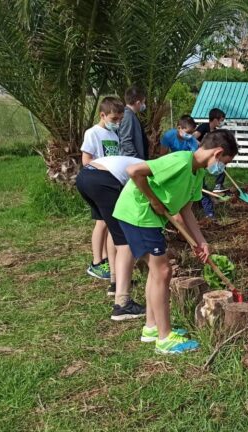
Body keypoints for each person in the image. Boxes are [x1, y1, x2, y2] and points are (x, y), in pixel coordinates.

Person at [113, 130, 238, 354]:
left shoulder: (197, 173)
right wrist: (154, 200)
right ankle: (165, 338)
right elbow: (134, 171)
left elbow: (185, 210)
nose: (222, 168)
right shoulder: (180, 161)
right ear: (217, 153)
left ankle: (152, 327)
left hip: (148, 218)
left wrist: (200, 242)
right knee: (162, 272)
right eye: (224, 163)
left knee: (156, 272)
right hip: (138, 213)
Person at [76, 155, 147, 320]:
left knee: (113, 231)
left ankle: (115, 283)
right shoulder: (149, 170)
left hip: (85, 177)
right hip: (103, 180)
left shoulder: (142, 163)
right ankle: (123, 304)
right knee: (126, 242)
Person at [81, 96, 124, 281]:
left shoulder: (114, 135)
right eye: (114, 119)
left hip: (111, 183)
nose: (117, 123)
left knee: (107, 222)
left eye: (120, 119)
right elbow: (86, 160)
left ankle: (107, 259)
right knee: (102, 222)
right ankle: (97, 262)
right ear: (103, 115)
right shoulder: (93, 133)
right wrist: (105, 168)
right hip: (98, 182)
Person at [193, 108, 227, 219]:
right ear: (215, 119)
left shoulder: (215, 132)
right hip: (198, 158)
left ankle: (218, 185)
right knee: (201, 185)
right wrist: (203, 147)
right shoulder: (204, 127)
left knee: (222, 167)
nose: (221, 122)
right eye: (220, 120)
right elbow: (192, 138)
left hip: (209, 160)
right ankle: (208, 212)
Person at [118, 86, 149, 160]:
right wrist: (135, 158)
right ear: (138, 103)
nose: (144, 105)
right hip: (131, 161)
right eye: (143, 102)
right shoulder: (128, 116)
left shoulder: (131, 115)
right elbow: (126, 140)